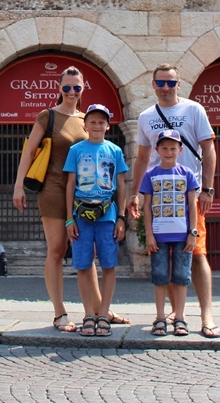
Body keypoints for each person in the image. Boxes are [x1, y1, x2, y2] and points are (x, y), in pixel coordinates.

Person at [129, 63, 220, 339]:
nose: (166, 87)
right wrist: (134, 193)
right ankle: (174, 311)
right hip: (158, 196)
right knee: (164, 253)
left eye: (171, 82)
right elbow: (142, 158)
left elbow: (208, 148)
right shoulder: (146, 116)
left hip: (188, 194)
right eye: (161, 82)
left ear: (179, 85)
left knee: (197, 252)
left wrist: (208, 189)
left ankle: (206, 315)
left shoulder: (193, 109)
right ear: (153, 85)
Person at [11, 65, 89, 333]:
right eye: (66, 87)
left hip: (83, 193)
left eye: (76, 87)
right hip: (54, 189)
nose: (71, 91)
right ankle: (59, 313)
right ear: (59, 88)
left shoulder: (87, 118)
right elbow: (29, 152)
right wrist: (18, 186)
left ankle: (97, 309)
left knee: (86, 250)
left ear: (83, 88)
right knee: (57, 249)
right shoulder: (48, 116)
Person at [64, 103, 128, 337]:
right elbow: (70, 184)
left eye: (102, 122)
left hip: (107, 214)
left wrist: (121, 217)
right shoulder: (76, 150)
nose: (97, 125)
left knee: (109, 264)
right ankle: (88, 314)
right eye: (92, 121)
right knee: (83, 264)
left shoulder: (115, 150)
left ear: (108, 126)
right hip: (81, 214)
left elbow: (121, 185)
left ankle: (103, 314)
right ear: (85, 125)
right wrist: (69, 219)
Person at [140, 129, 200, 336]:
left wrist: (193, 232)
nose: (168, 152)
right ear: (157, 150)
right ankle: (159, 317)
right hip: (159, 235)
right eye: (164, 148)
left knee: (181, 276)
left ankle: (180, 317)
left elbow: (192, 205)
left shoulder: (187, 174)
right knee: (160, 276)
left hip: (182, 234)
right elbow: (147, 207)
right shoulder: (151, 175)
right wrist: (149, 234)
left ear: (180, 150)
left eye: (173, 148)